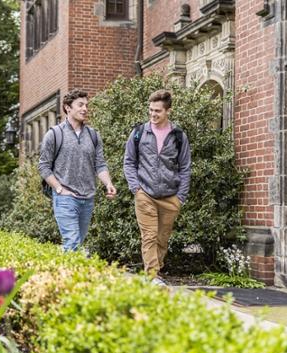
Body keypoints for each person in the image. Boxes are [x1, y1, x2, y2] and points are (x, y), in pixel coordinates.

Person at [123, 89, 191, 284]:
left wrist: (180, 197)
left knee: (162, 239)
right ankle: (153, 276)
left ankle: (155, 273)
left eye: (158, 111)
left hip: (171, 197)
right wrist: (136, 188)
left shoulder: (178, 135)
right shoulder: (139, 133)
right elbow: (129, 161)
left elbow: (185, 166)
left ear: (168, 111)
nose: (153, 114)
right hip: (145, 193)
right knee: (149, 236)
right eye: (150, 110)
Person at [39, 89, 117, 251]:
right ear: (68, 107)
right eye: (80, 105)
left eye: (86, 105)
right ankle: (69, 274)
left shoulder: (94, 135)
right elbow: (44, 166)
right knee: (72, 241)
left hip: (87, 198)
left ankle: (59, 272)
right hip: (65, 198)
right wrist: (60, 189)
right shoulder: (54, 134)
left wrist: (108, 183)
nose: (85, 109)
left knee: (76, 243)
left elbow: (100, 164)